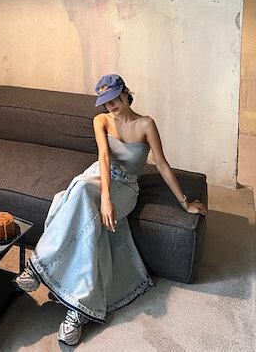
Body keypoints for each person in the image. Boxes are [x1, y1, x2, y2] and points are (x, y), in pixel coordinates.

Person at [15, 73, 207, 346]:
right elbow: (103, 158)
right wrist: (105, 197)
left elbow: (162, 164)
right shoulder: (101, 120)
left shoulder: (146, 124)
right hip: (99, 177)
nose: (111, 105)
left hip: (126, 187)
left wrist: (184, 202)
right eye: (105, 101)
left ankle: (40, 268)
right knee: (82, 194)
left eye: (114, 98)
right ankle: (77, 307)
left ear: (125, 92)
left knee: (80, 202)